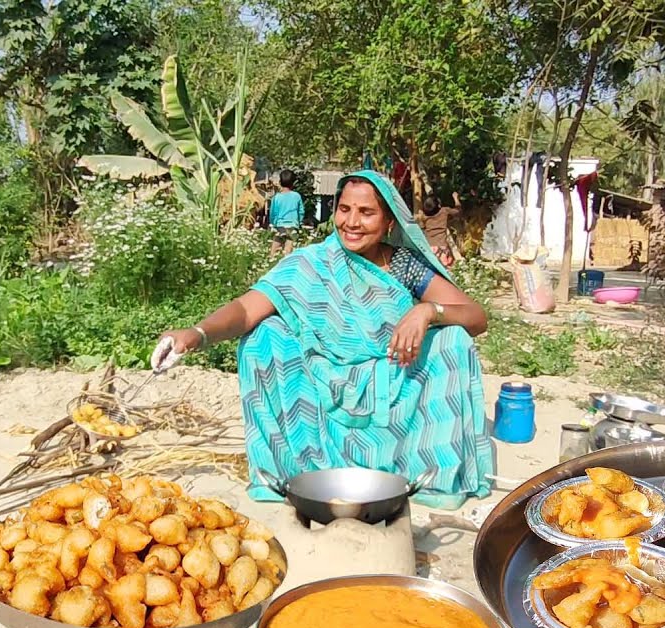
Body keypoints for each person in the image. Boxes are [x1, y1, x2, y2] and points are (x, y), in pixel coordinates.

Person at [151, 170, 494, 509]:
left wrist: (427, 311)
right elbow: (246, 309)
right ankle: (295, 474)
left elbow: (476, 318)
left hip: (394, 384)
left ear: (390, 221)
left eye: (366, 212)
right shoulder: (310, 263)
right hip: (322, 386)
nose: (352, 222)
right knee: (264, 336)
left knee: (452, 341)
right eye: (344, 209)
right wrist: (195, 335)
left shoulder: (404, 266)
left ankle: (428, 474)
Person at [419, 192, 466, 268]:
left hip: (429, 247)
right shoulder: (444, 211)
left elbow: (422, 227)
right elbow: (458, 211)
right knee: (448, 269)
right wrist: (456, 199)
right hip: (442, 247)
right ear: (439, 205)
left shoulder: (423, 217)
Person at [268, 169, 305, 260]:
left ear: (280, 182)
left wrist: (273, 223)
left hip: (280, 226)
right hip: (292, 226)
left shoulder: (276, 197)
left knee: (274, 250)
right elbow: (301, 211)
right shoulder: (296, 196)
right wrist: (299, 222)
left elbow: (273, 213)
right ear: (293, 183)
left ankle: (271, 262)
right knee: (288, 251)